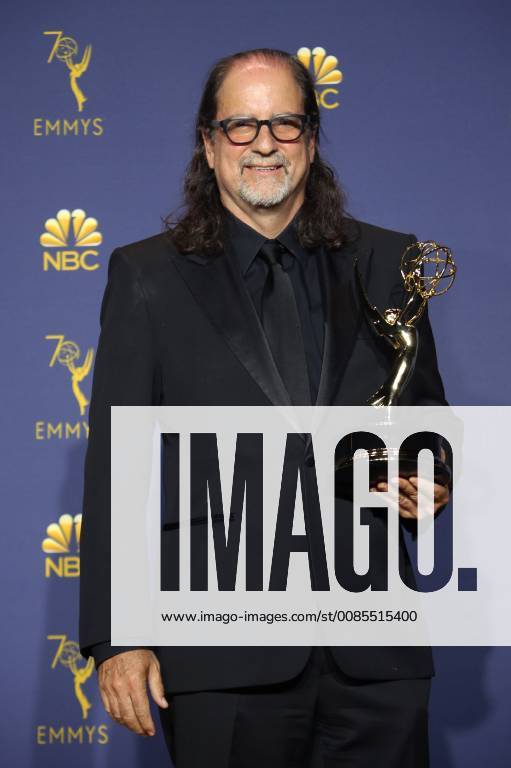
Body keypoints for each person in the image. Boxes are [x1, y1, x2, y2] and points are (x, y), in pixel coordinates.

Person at [79, 47, 450, 767]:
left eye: (283, 124)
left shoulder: (389, 261)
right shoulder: (146, 276)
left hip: (375, 650)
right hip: (221, 653)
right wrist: (120, 635)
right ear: (208, 143)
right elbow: (116, 465)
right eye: (241, 126)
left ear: (310, 140)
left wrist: (433, 475)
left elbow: (426, 415)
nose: (263, 145)